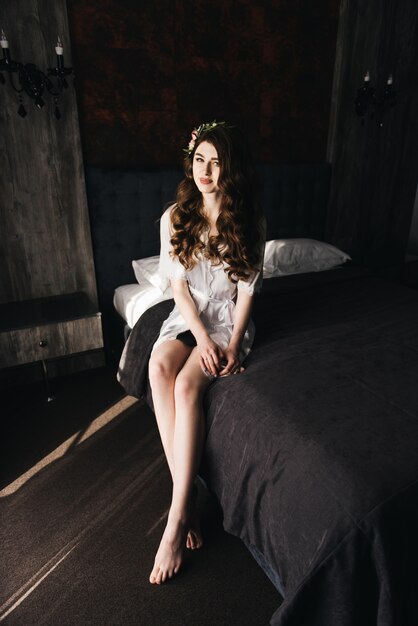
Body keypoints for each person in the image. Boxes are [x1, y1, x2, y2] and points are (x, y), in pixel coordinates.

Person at [148, 121, 265, 585]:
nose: (206, 170)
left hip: (229, 320)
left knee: (187, 385)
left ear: (229, 169)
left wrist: (232, 344)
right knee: (159, 367)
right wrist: (200, 336)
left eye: (216, 162)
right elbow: (177, 286)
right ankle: (187, 497)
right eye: (200, 159)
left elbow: (249, 290)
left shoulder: (248, 219)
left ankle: (176, 522)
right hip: (190, 318)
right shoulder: (175, 216)